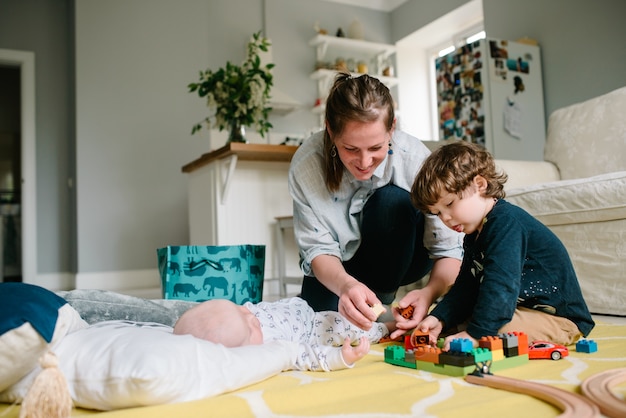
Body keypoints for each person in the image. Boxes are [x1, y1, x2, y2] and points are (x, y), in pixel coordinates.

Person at [288, 73, 464, 332]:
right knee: (318, 328)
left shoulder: (414, 159)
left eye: (375, 148)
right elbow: (317, 250)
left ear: (392, 127)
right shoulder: (307, 166)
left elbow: (450, 250)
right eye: (350, 149)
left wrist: (428, 294)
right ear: (330, 130)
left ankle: (379, 303)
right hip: (339, 264)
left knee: (391, 201)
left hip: (405, 253)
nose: (364, 162)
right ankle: (373, 313)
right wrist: (346, 286)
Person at [400, 141, 595, 348]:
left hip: (560, 319)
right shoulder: (474, 233)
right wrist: (439, 318)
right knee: (465, 319)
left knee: (492, 332)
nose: (445, 218)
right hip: (516, 308)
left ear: (480, 185)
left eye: (449, 204)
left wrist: (475, 335)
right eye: (437, 213)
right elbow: (466, 286)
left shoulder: (506, 223)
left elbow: (500, 285)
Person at [173, 296, 393, 372]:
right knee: (349, 326)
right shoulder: (269, 349)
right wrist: (342, 358)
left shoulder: (237, 317)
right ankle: (387, 329)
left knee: (350, 310)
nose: (252, 317)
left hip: (302, 307)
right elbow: (306, 356)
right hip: (313, 330)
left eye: (240, 310)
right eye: (250, 328)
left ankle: (387, 314)